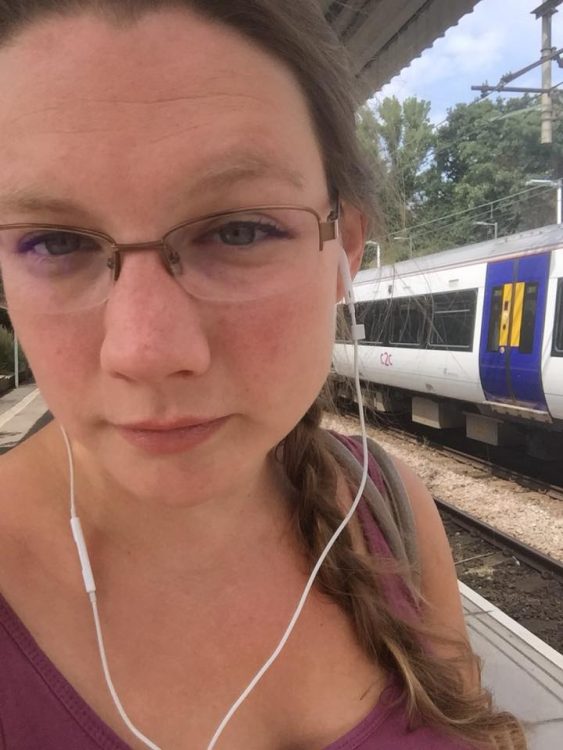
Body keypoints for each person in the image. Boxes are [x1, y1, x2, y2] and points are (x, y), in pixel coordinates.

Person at [0, 2, 525, 749]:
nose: (146, 351)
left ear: (341, 250)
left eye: (238, 229)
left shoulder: (389, 508)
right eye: (55, 242)